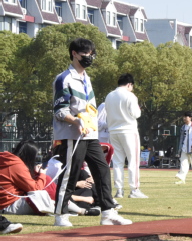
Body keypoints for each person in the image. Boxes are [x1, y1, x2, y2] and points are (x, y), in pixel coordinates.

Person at [52, 38, 132, 227]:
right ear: (74, 54)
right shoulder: (64, 79)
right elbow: (60, 110)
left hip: (90, 134)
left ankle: (108, 212)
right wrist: (76, 121)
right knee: (70, 174)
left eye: (91, 54)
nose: (89, 57)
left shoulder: (87, 78)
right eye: (85, 54)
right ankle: (61, 214)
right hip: (72, 136)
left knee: (102, 169)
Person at [105, 73, 147, 199]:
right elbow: (136, 114)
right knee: (133, 161)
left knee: (117, 162)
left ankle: (119, 190)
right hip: (128, 130)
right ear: (129, 84)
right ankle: (134, 189)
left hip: (113, 131)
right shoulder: (130, 96)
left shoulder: (109, 96)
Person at [175, 111, 192, 185]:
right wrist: (180, 149)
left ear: (190, 118)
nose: (184, 118)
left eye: (186, 117)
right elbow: (181, 139)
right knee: (183, 164)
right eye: (183, 117)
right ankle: (182, 179)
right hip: (184, 149)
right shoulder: (183, 127)